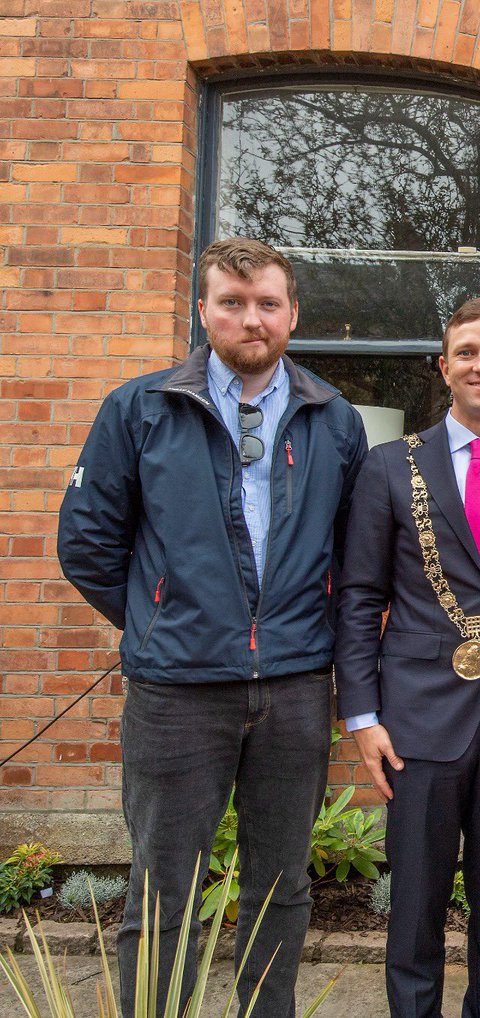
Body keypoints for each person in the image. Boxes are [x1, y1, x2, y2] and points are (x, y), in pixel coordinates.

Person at [57, 237, 369, 1017]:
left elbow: (352, 554)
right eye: (232, 302)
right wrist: (165, 615)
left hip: (295, 686)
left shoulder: (334, 419)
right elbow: (87, 543)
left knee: (282, 888)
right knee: (164, 889)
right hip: (177, 692)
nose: (251, 318)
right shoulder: (140, 409)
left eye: (267, 303)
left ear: (292, 314)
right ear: (204, 311)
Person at [335, 297, 480, 1018]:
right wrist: (362, 716)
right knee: (415, 915)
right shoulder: (388, 466)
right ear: (444, 368)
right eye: (467, 352)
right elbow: (358, 596)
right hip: (416, 724)